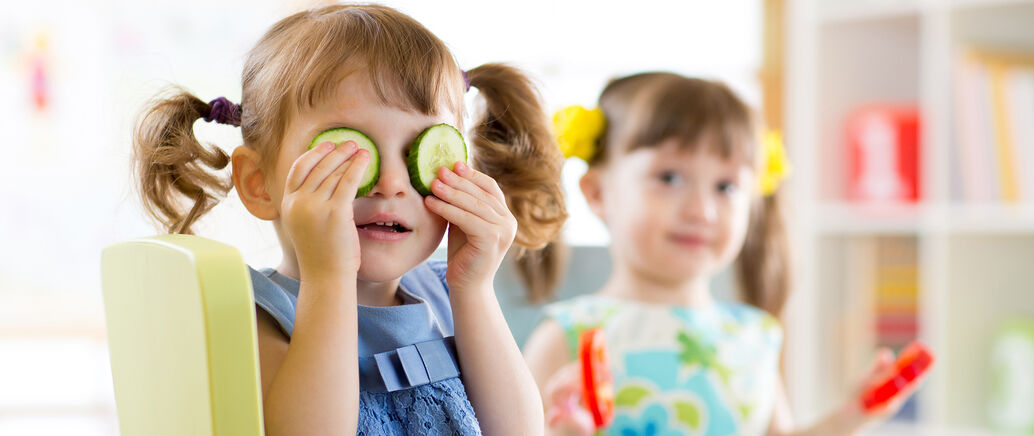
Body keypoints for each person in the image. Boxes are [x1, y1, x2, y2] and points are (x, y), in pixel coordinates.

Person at [131, 4, 566, 434]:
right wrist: (329, 277)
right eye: (348, 153)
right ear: (260, 182)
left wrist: (474, 288)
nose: (393, 182)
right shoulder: (254, 316)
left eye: (420, 151)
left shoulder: (449, 295)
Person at [524, 72, 917, 435]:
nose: (702, 211)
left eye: (726, 187)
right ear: (597, 192)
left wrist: (852, 414)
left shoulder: (753, 337)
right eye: (669, 178)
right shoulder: (566, 336)